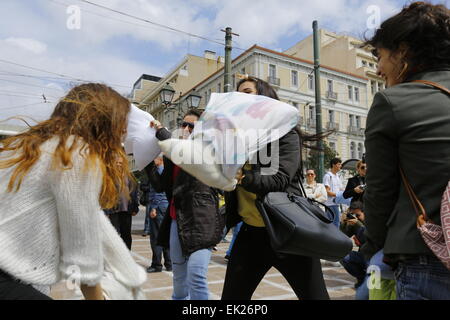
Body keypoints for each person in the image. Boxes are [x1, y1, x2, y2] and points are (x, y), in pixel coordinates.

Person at [0, 83, 146, 300]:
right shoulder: (78, 153)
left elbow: (94, 220)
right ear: (105, 122)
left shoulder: (33, 144)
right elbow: (82, 257)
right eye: (122, 123)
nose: (124, 133)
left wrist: (130, 274)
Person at [361, 2, 450, 300]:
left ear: (402, 51)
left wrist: (373, 250)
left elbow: (379, 193)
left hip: (426, 257)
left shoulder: (393, 102)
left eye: (381, 56)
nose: (378, 68)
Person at [221, 75, 329, 300]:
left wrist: (241, 176)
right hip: (251, 235)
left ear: (265, 98)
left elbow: (278, 179)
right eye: (238, 93)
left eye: (247, 92)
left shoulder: (284, 134)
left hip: (289, 232)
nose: (241, 97)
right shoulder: (234, 139)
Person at [145, 110, 225, 300]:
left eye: (192, 126)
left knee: (196, 275)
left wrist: (161, 131)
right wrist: (147, 160)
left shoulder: (208, 150)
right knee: (179, 279)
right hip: (176, 219)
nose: (186, 129)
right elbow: (161, 184)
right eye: (183, 125)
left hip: (202, 220)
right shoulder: (174, 154)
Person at [103, 156, 140, 250]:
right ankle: (115, 256)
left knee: (126, 234)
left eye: (121, 163)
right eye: (117, 163)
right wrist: (106, 211)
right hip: (113, 210)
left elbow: (135, 192)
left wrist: (135, 207)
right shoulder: (109, 177)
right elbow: (105, 195)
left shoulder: (130, 176)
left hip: (127, 210)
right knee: (114, 235)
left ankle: (127, 255)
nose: (119, 165)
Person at [146, 155, 171, 273]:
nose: (152, 160)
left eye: (154, 158)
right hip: (165, 206)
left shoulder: (158, 172)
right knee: (166, 235)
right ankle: (169, 263)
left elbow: (158, 193)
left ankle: (156, 264)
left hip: (159, 207)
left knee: (156, 237)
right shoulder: (166, 171)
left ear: (160, 160)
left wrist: (154, 208)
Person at [339, 201, 367, 294]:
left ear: (365, 212)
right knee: (343, 256)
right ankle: (361, 278)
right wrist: (343, 223)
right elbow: (343, 236)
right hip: (362, 254)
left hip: (373, 255)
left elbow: (371, 237)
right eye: (353, 215)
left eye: (358, 215)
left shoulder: (372, 221)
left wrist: (359, 224)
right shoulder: (355, 223)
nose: (356, 218)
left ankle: (368, 280)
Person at [323, 158, 344, 228]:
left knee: (336, 223)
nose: (340, 166)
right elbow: (327, 191)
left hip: (337, 203)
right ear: (333, 165)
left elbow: (341, 189)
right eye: (339, 164)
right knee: (334, 224)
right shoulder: (328, 176)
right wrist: (338, 195)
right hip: (330, 204)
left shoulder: (337, 176)